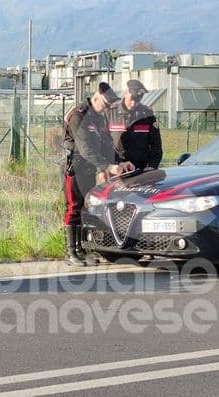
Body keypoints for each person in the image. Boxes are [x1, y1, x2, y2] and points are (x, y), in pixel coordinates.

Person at [62, 82, 134, 266]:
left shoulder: (99, 118)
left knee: (86, 209)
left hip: (90, 169)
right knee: (73, 208)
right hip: (74, 168)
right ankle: (70, 252)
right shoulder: (79, 115)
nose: (108, 107)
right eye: (106, 103)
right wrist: (108, 167)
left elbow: (107, 145)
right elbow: (85, 149)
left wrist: (120, 162)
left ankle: (82, 249)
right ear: (96, 97)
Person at [108, 79, 163, 171]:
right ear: (125, 94)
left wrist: (152, 167)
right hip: (116, 168)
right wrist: (118, 163)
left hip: (140, 170)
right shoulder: (110, 114)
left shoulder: (147, 115)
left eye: (137, 101)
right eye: (131, 100)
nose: (133, 104)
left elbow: (156, 146)